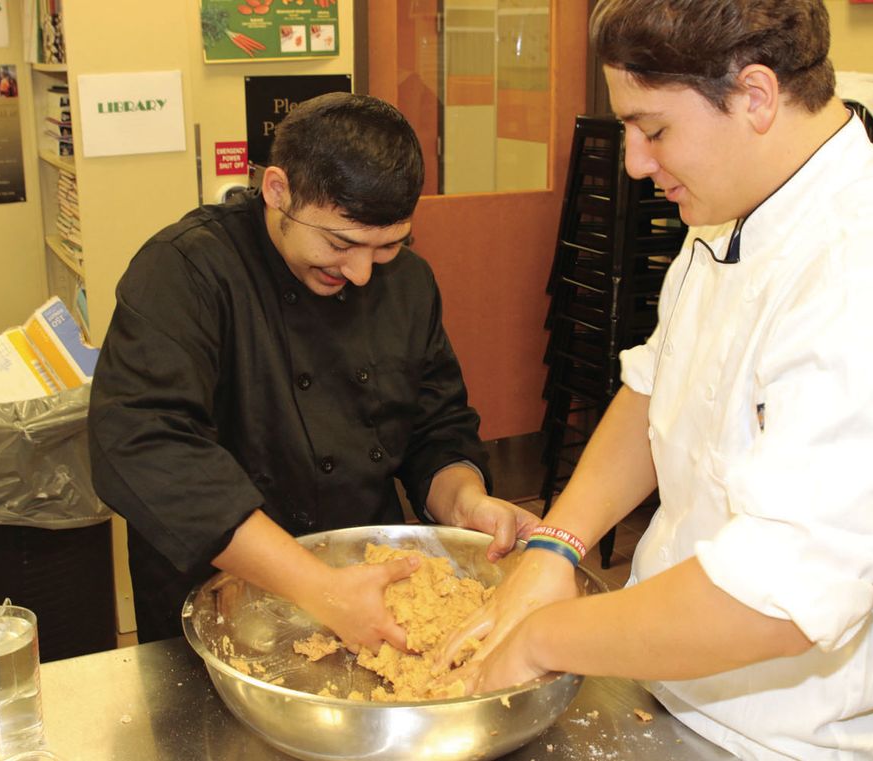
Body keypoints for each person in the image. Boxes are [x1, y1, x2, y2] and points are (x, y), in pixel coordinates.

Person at [438, 2, 873, 759]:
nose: (633, 160)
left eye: (653, 129)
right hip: (667, 685)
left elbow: (775, 598)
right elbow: (660, 388)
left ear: (756, 95)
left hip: (790, 738)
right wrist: (556, 546)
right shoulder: (731, 213)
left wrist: (541, 639)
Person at [88, 93, 537, 648]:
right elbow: (143, 443)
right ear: (278, 191)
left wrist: (464, 499)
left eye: (390, 246)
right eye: (340, 243)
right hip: (217, 592)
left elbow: (435, 426)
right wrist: (318, 588)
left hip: (369, 585)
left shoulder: (409, 283)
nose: (363, 272)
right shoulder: (185, 271)